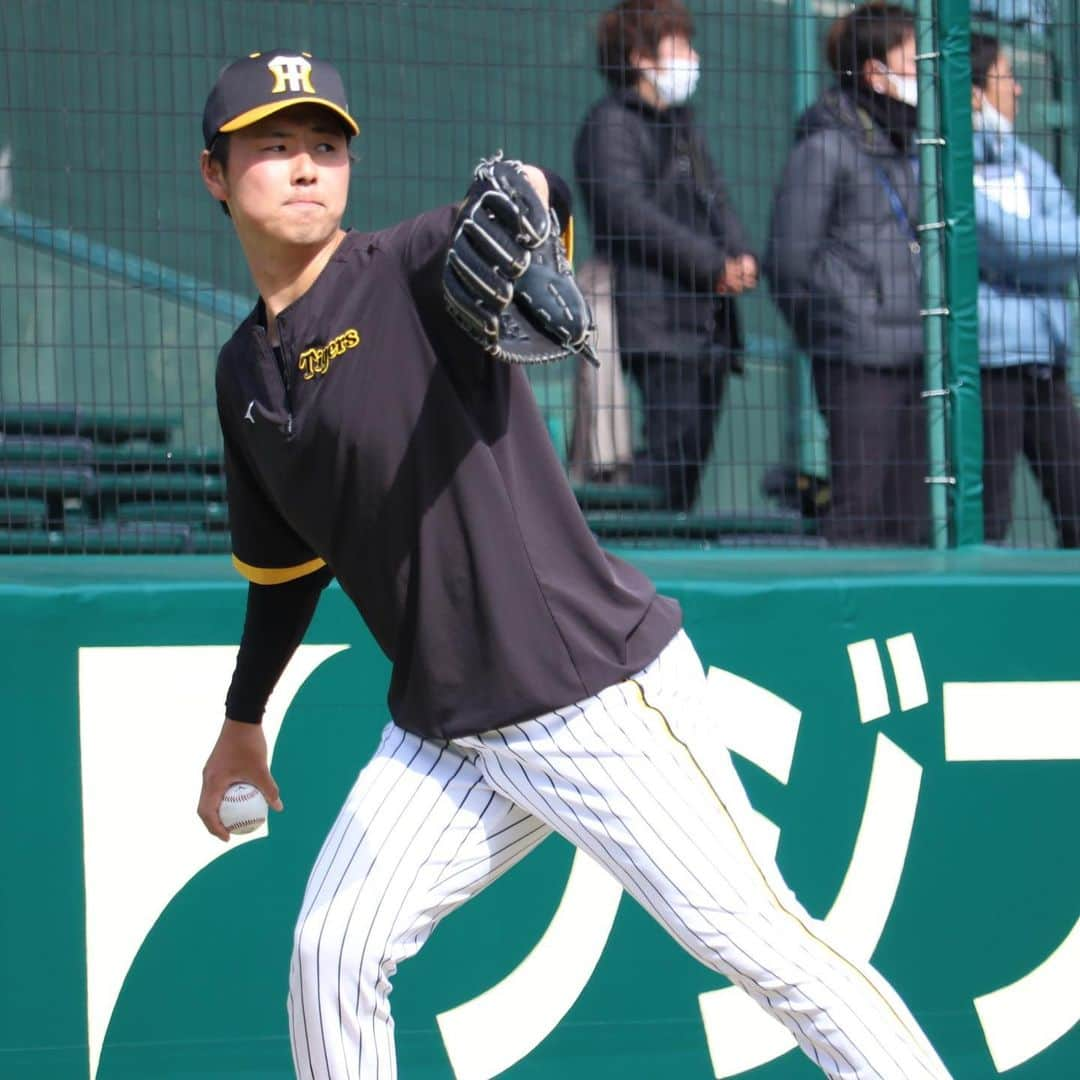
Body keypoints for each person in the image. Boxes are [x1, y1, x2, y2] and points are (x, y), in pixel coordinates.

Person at [194, 47, 953, 1080]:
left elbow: (518, 208)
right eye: (272, 147)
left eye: (323, 146)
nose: (304, 167)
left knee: (763, 945)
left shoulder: (411, 266)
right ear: (215, 175)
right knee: (336, 948)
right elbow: (286, 572)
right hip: (447, 727)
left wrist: (535, 197)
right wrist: (242, 728)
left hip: (588, 695)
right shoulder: (245, 370)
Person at [573, 0, 757, 511]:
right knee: (664, 462)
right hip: (653, 317)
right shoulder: (609, 124)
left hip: (707, 321)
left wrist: (739, 253)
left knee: (688, 461)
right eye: (679, 47)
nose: (692, 57)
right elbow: (627, 214)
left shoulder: (682, 125)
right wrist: (711, 262)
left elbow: (715, 196)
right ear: (639, 56)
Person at [766, 2, 928, 545]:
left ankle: (909, 630)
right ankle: (851, 629)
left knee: (914, 518)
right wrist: (838, 325)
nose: (923, 72)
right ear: (873, 70)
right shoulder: (826, 144)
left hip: (915, 352)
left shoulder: (910, 149)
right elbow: (789, 260)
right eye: (912, 59)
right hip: (856, 357)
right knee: (858, 507)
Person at [970, 31, 1080, 546]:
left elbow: (1070, 237)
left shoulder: (1025, 159)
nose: (1017, 91)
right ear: (973, 92)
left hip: (1045, 357)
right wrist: (1038, 254)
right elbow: (1000, 239)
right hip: (989, 364)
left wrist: (1023, 255)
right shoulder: (944, 163)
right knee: (988, 515)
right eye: (1006, 78)